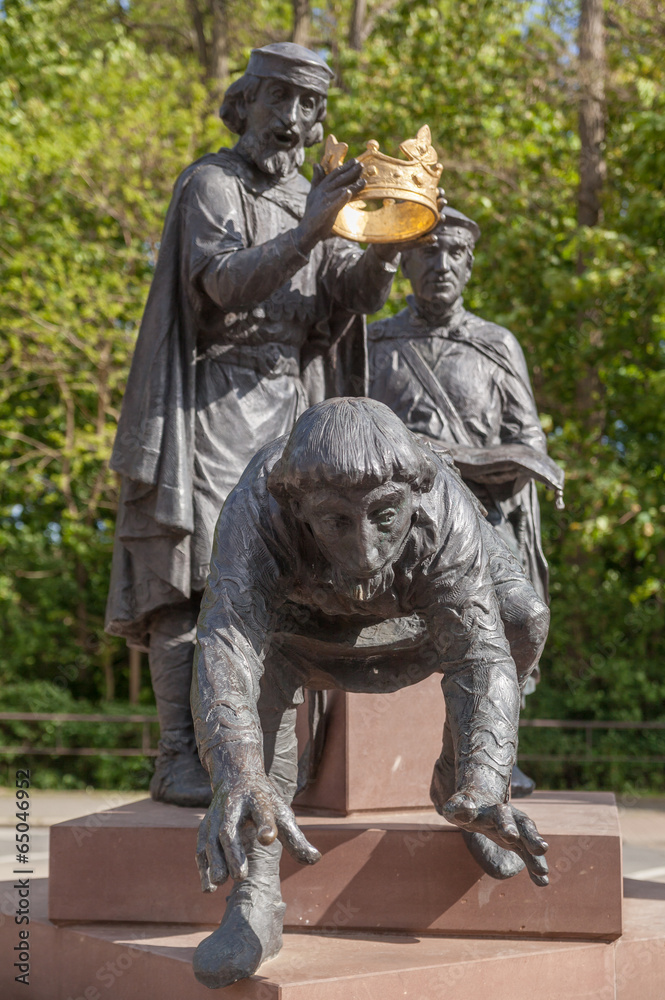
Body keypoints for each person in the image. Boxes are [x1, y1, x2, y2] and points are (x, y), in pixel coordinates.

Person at [105, 43, 406, 807]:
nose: (296, 121)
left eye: (310, 107)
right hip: (214, 406)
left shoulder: (312, 196)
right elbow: (225, 284)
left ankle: (268, 758)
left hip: (294, 414)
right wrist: (311, 229)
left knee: (286, 587)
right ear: (246, 101)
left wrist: (386, 248)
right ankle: (180, 754)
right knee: (195, 580)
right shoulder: (211, 184)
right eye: (281, 101)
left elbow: (346, 300)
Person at [191, 397, 550, 989]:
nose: (365, 550)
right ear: (296, 505)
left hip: (421, 615)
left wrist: (487, 776)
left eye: (386, 516)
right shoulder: (256, 509)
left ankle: (459, 784)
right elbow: (226, 645)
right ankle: (255, 895)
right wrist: (237, 773)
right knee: (256, 691)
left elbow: (479, 656)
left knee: (523, 617)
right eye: (336, 521)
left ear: (413, 493)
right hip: (300, 627)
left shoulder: (441, 505)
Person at [368, 207, 564, 796]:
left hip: (480, 519)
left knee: (517, 612)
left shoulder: (496, 346)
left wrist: (468, 458)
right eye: (427, 251)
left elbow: (529, 445)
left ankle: (491, 752)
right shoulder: (374, 343)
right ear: (404, 262)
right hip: (394, 522)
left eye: (454, 253)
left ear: (470, 265)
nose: (442, 264)